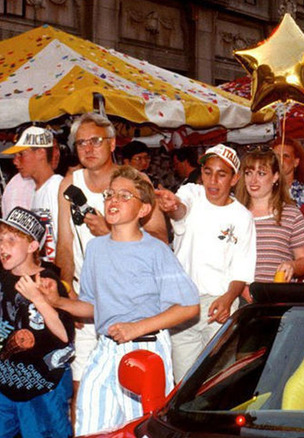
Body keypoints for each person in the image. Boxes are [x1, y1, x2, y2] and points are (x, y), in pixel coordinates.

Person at [46, 166, 199, 435]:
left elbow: (189, 307)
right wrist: (56, 302)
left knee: (138, 429)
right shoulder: (95, 249)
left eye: (125, 195)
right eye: (110, 194)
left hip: (145, 351)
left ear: (144, 210)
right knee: (90, 426)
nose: (113, 200)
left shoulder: (156, 250)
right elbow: (94, 306)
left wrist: (137, 327)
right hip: (105, 348)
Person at [55, 112, 168, 414]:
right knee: (83, 395)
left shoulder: (135, 181)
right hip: (86, 301)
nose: (88, 148)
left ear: (112, 143)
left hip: (131, 306)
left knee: (136, 397)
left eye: (96, 141)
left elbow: (161, 238)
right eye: (81, 143)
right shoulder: (69, 184)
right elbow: (64, 247)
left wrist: (113, 232)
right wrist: (66, 292)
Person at [155, 144, 256, 382]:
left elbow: (242, 268)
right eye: (208, 172)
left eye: (222, 174)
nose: (213, 180)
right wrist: (173, 205)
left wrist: (228, 298)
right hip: (183, 304)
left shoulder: (243, 217)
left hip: (220, 304)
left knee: (216, 381)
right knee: (183, 382)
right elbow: (180, 208)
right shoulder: (192, 192)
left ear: (234, 179)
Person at [0, 207, 74, 438]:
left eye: (12, 240)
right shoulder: (3, 275)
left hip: (43, 388)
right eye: (1, 239)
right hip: (6, 383)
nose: (3, 246)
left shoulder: (47, 281)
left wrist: (39, 299)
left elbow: (64, 336)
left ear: (33, 246)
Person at [235, 148, 304, 285]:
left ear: (275, 176)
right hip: (238, 299)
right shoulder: (234, 214)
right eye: (248, 173)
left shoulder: (291, 214)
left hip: (277, 298)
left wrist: (293, 266)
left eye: (261, 173)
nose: (253, 180)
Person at [5, 126, 63, 263]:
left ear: (41, 153)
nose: (15, 161)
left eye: (21, 154)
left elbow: (65, 243)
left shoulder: (56, 187)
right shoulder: (38, 191)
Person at [272, 137, 304, 207]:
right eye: (277, 156)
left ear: (296, 162)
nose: (280, 160)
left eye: (285, 156)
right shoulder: (265, 190)